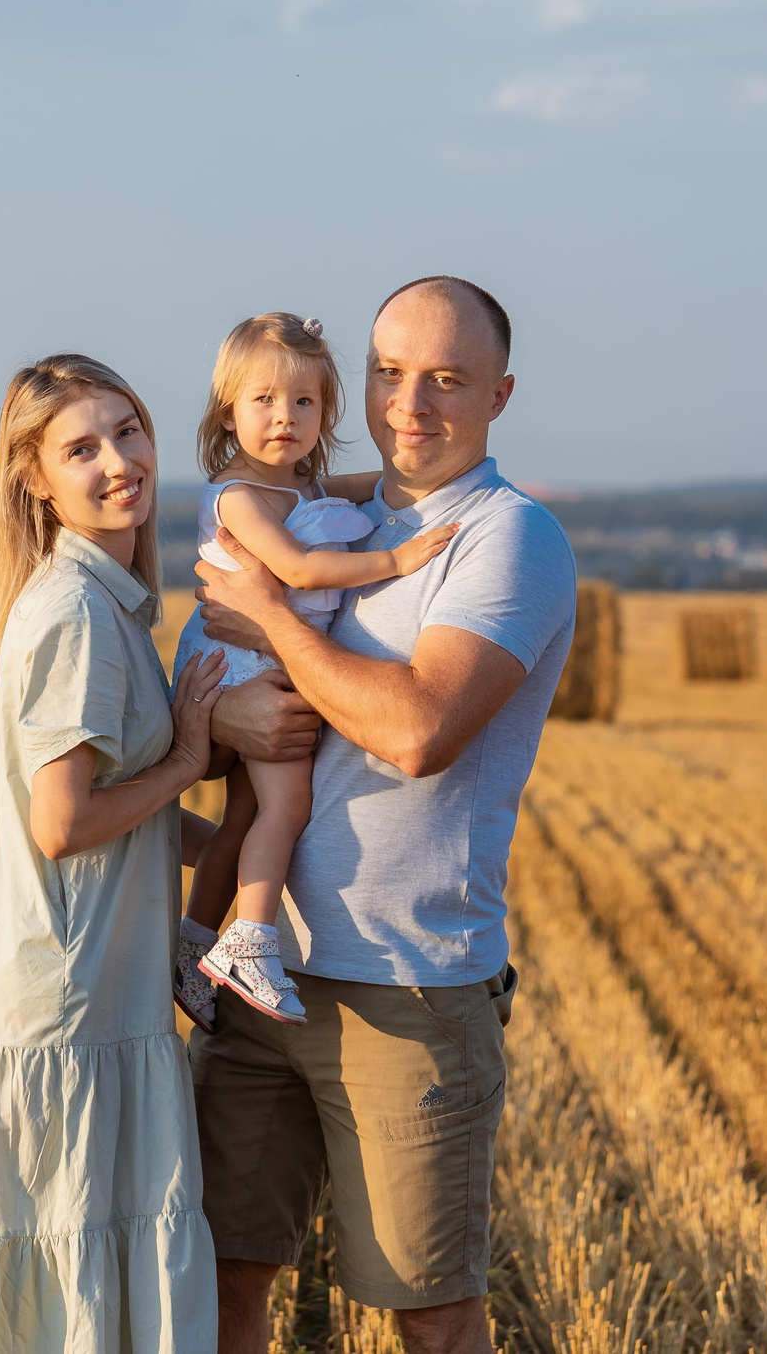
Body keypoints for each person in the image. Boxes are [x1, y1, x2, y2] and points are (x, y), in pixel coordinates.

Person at [188, 277, 579, 1354]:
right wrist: (221, 711)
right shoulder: (334, 517)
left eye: (446, 379)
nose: (410, 404)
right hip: (263, 974)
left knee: (429, 1312)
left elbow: (416, 732)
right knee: (219, 1275)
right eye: (390, 374)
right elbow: (223, 723)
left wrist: (270, 616)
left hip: (405, 986)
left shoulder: (507, 538)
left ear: (500, 395)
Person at [0, 354, 232, 1354]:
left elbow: (133, 817)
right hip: (68, 1016)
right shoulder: (75, 613)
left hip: (96, 1003)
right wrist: (190, 760)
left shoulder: (107, 603)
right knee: (55, 1299)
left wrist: (254, 866)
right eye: (81, 449)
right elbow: (65, 823)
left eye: (128, 429)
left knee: (65, 1292)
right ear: (33, 477)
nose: (118, 460)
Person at [169, 313, 457, 1029]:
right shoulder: (239, 496)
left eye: (305, 401)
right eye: (264, 399)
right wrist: (395, 559)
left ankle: (192, 943)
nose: (285, 416)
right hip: (247, 664)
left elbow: (372, 484)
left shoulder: (300, 485)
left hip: (261, 655)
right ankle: (250, 940)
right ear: (227, 412)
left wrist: (418, 478)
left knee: (243, 816)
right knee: (287, 807)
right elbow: (297, 569)